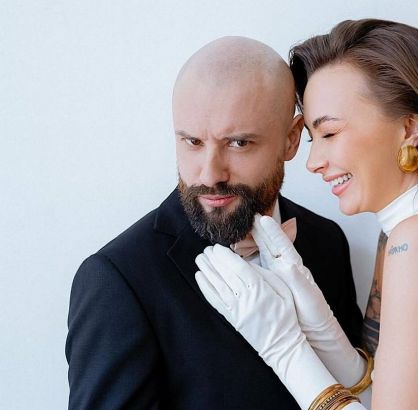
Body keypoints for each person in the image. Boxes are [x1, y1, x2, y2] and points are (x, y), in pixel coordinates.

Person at [196, 19, 418, 409]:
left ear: (409, 128)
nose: (313, 161)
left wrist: (284, 348)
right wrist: (324, 334)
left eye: (330, 133)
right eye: (313, 138)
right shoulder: (406, 233)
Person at [65, 37, 363, 409]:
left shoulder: (327, 240)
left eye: (238, 143)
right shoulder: (117, 279)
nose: (209, 174)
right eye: (192, 142)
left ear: (291, 139)